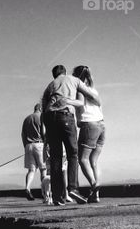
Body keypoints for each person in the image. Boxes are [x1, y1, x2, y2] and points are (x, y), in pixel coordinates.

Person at [40, 64, 99, 205]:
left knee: (55, 158)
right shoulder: (73, 79)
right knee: (73, 153)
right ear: (65, 72)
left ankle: (57, 198)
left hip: (49, 118)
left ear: (54, 75)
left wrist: (46, 137)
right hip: (65, 115)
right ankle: (73, 188)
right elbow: (90, 94)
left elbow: (43, 111)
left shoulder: (49, 86)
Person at [71, 65, 106, 204]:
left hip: (89, 125)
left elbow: (79, 106)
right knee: (94, 161)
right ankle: (96, 195)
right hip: (101, 125)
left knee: (83, 159)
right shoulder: (94, 90)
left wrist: (78, 121)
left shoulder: (80, 90)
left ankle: (94, 184)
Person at [21, 101, 47, 200]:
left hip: (28, 145)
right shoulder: (42, 117)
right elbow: (44, 132)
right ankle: (45, 195)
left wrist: (26, 146)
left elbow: (23, 135)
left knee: (31, 170)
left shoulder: (27, 119)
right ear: (41, 109)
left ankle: (27, 188)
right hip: (40, 144)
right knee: (43, 169)